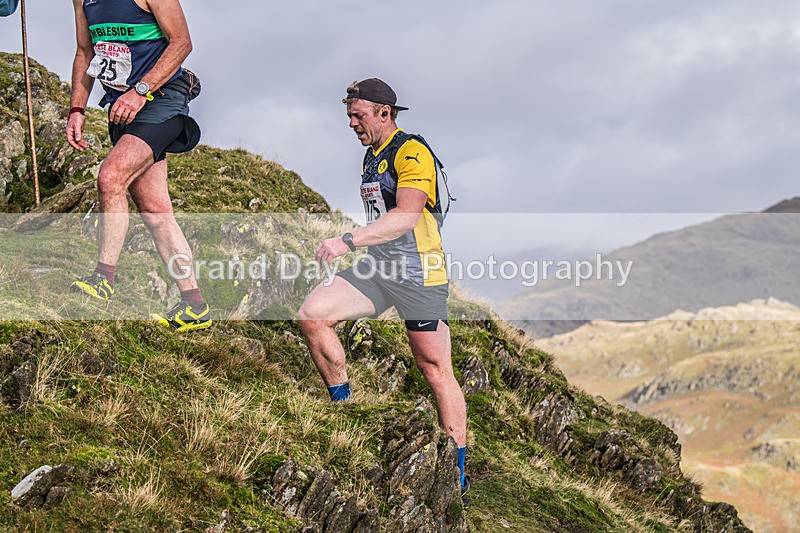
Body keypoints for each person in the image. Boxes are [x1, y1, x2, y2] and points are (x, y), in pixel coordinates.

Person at [298, 78, 469, 502]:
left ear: (384, 113)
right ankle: (344, 411)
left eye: (358, 115)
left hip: (419, 272)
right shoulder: (372, 156)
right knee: (313, 315)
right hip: (379, 269)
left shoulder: (412, 152)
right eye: (349, 116)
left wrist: (347, 241)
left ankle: (458, 471)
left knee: (433, 367)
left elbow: (407, 215)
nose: (351, 124)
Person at [66, 0, 210, 332]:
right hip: (122, 107)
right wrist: (77, 109)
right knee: (156, 211)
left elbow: (182, 42)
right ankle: (195, 307)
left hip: (161, 99)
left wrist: (140, 91)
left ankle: (103, 279)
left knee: (111, 176)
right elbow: (85, 52)